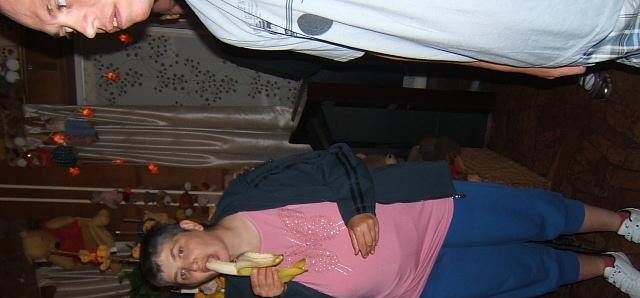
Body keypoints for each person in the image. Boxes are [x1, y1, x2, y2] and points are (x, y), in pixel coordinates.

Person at [139, 143, 640, 298]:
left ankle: (619, 220)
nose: (195, 266)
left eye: (182, 253)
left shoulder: (250, 191)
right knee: (521, 274)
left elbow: (334, 160)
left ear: (190, 229)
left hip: (425, 212)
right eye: (183, 275)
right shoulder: (248, 291)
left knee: (534, 216)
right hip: (416, 285)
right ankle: (607, 266)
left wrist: (358, 209)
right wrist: (282, 296)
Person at [1, 0, 640, 81]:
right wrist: (523, 68)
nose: (86, 29)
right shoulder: (224, 27)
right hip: (569, 42)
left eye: (61, 4)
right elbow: (380, 45)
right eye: (61, 31)